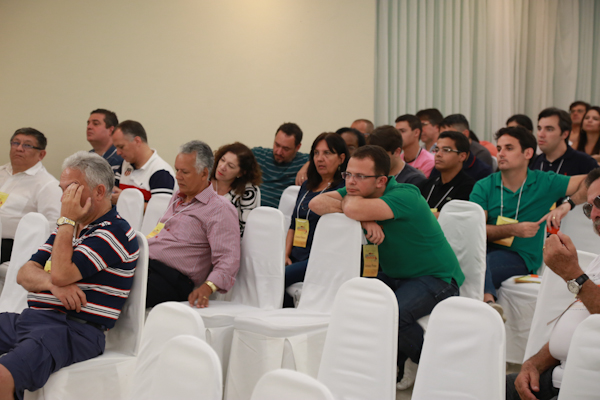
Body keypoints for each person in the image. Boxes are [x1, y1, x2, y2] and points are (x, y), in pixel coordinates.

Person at [309, 145, 464, 390]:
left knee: (393, 316)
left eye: (360, 176)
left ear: (381, 181)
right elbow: (316, 203)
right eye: (348, 174)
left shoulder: (406, 195)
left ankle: (432, 367)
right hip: (394, 275)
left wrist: (360, 212)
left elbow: (351, 207)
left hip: (436, 276)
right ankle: (376, 365)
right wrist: (366, 217)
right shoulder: (360, 191)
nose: (351, 182)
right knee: (355, 305)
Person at [0, 151, 139, 400]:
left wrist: (66, 220)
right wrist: (52, 285)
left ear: (99, 192)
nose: (64, 198)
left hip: (72, 330)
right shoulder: (69, 229)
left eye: (72, 189)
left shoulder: (114, 231)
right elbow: (24, 274)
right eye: (62, 189)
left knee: (2, 376)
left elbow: (62, 273)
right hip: (33, 319)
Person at [469, 126, 588, 315]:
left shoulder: (544, 182)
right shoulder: (484, 185)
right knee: (473, 259)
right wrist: (513, 229)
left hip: (521, 256)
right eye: (499, 148)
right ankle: (489, 306)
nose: (501, 154)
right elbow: (475, 231)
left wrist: (568, 205)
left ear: (528, 153)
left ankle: (488, 304)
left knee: (484, 262)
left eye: (509, 148)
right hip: (483, 250)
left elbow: (593, 180)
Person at [506, 168, 600, 400]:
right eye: (589, 208)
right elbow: (576, 323)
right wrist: (534, 364)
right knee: (481, 386)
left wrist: (573, 274)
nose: (594, 214)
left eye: (599, 202)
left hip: (586, 385)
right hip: (561, 374)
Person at [146, 141, 240, 308]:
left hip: (171, 279)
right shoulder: (178, 197)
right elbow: (158, 232)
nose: (177, 176)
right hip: (146, 264)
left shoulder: (220, 209)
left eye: (185, 172)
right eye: (177, 170)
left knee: (113, 285)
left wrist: (208, 287)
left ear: (204, 174)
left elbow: (228, 259)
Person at [283, 133, 348, 308]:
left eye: (327, 153)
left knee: (279, 278)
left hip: (319, 259)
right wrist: (285, 254)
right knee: (269, 273)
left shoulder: (343, 188)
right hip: (297, 253)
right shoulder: (307, 185)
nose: (320, 159)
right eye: (316, 153)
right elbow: (294, 223)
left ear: (341, 158)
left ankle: (287, 316)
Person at [0, 128, 62, 264]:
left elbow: (53, 226)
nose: (19, 148)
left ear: (41, 154)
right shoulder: (1, 172)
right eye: (16, 143)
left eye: (27, 145)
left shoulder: (47, 185)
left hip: (13, 247)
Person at [110, 120, 176, 205]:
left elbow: (160, 209)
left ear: (137, 141)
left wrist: (125, 200)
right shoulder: (125, 164)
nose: (118, 153)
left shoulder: (161, 171)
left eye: (121, 147)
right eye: (116, 148)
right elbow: (114, 190)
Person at [252, 123, 309, 208]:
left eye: (286, 149)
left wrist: (307, 166)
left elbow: (323, 159)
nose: (278, 152)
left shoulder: (303, 161)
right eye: (277, 145)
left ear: (297, 147)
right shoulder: (258, 155)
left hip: (278, 214)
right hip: (250, 210)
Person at [211, 142, 262, 236]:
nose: (222, 167)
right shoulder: (203, 177)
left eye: (230, 166)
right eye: (222, 160)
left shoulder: (248, 191)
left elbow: (244, 230)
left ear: (240, 173)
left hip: (226, 239)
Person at [419, 131, 475, 217]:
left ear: (462, 156)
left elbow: (456, 217)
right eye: (436, 150)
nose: (438, 154)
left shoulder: (469, 188)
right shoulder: (425, 185)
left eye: (446, 150)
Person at [531, 107, 598, 176]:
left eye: (549, 129)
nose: (541, 135)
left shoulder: (585, 163)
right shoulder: (533, 163)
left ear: (565, 134)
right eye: (539, 129)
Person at [437, 115, 492, 181]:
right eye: (442, 135)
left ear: (465, 134)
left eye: (449, 135)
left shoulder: (481, 154)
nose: (438, 154)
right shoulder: (441, 161)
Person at [86, 109, 123, 180]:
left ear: (111, 130)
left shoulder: (120, 158)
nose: (89, 127)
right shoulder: (85, 158)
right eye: (88, 124)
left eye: (95, 124)